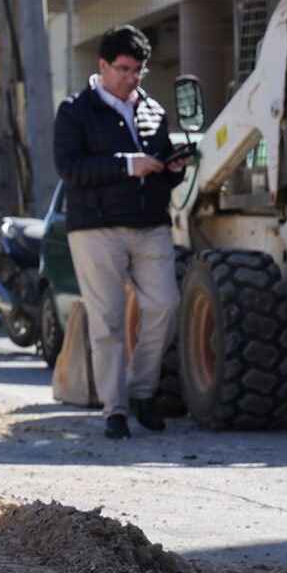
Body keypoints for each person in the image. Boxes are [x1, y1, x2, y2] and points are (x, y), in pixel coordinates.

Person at [51, 25, 186, 441]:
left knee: (165, 306)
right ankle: (115, 410)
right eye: (124, 69)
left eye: (138, 71)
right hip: (96, 229)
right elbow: (69, 168)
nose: (132, 78)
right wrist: (127, 165)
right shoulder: (75, 110)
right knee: (106, 320)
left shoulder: (153, 110)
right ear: (103, 65)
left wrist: (173, 168)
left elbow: (160, 171)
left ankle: (142, 390)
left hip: (151, 225)